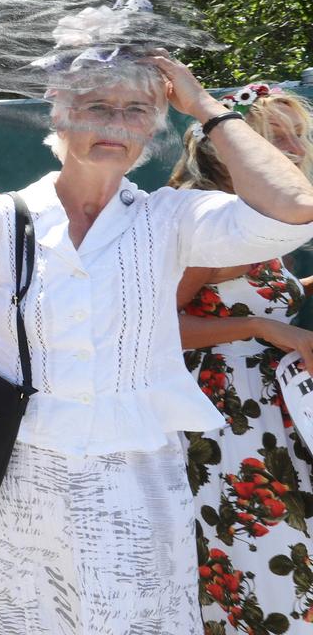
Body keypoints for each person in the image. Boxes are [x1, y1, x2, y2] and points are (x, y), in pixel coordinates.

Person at [0, 48, 313, 634]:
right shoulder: (0, 219)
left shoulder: (169, 219)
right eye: (97, 106)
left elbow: (297, 210)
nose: (114, 125)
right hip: (17, 479)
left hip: (137, 478)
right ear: (61, 115)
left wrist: (203, 106)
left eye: (136, 111)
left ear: (153, 128)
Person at [169, 84, 313, 633]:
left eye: (296, 134)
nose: (294, 148)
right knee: (262, 546)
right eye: (275, 138)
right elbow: (153, 328)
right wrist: (258, 326)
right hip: (229, 418)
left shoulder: (259, 218)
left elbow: (248, 292)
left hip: (274, 410)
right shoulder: (209, 223)